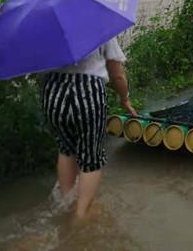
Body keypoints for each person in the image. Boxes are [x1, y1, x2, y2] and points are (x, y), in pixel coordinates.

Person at [41, 36, 137, 218]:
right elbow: (117, 74)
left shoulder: (46, 28)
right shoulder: (99, 26)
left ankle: (65, 203)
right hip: (87, 93)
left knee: (66, 148)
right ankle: (81, 216)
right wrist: (124, 98)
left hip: (53, 92)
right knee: (90, 157)